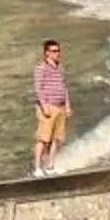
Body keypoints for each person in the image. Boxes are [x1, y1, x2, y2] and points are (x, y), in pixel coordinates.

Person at [31, 39, 70, 175]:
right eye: (54, 51)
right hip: (48, 107)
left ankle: (50, 166)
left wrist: (68, 105)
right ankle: (37, 168)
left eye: (58, 51)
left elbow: (64, 87)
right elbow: (38, 89)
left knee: (56, 138)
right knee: (43, 138)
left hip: (60, 107)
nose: (57, 54)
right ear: (46, 53)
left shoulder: (60, 68)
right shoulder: (41, 68)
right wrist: (44, 106)